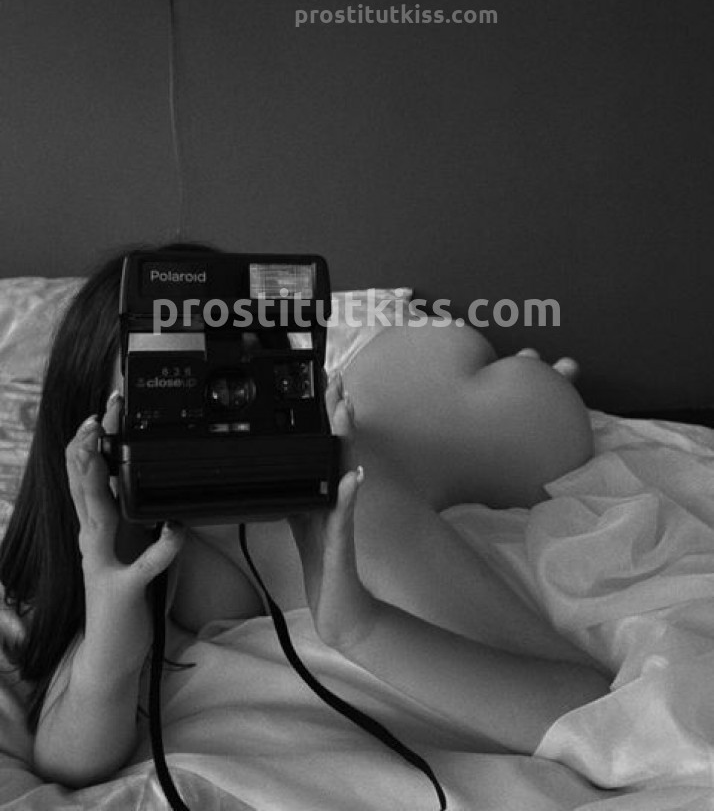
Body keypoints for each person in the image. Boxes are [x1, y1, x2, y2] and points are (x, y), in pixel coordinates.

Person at [0, 247, 610, 790]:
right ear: (99, 428)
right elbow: (67, 761)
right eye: (167, 390)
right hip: (381, 379)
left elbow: (588, 705)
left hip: (482, 407)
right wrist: (110, 630)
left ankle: (535, 370)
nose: (212, 412)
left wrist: (358, 627)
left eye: (224, 383)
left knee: (536, 394)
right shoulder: (112, 523)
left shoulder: (358, 503)